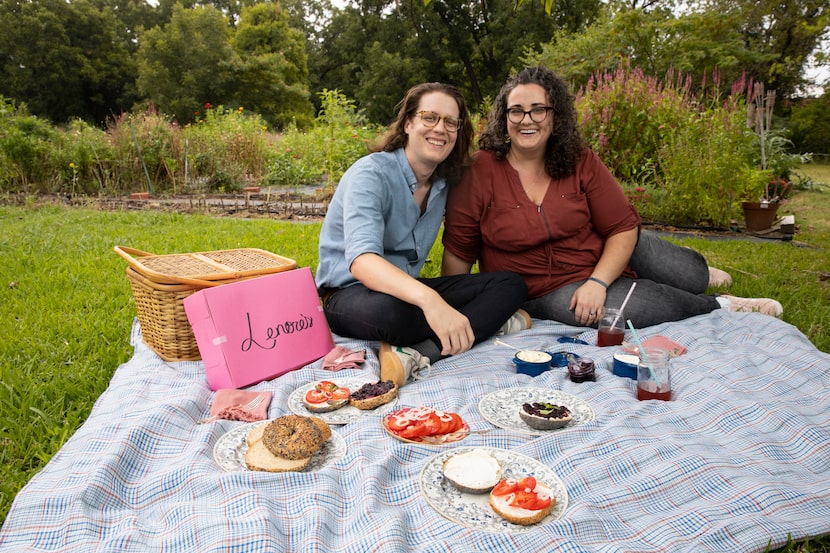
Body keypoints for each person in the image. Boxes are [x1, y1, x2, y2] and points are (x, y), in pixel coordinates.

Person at [442, 66, 783, 329]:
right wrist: (447, 307)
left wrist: (598, 279)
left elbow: (621, 227)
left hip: (608, 249)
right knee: (634, 309)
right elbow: (458, 251)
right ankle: (720, 305)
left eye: (538, 110)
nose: (526, 120)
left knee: (687, 274)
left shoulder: (579, 159)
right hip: (546, 288)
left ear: (554, 115)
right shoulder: (479, 172)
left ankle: (701, 276)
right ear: (504, 119)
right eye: (516, 111)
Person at [315, 82, 530, 387]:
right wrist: (432, 302)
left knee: (510, 285)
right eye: (430, 117)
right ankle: (486, 323)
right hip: (351, 296)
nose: (440, 128)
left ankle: (420, 353)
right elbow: (362, 262)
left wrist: (433, 300)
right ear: (408, 123)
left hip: (409, 292)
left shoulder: (443, 184)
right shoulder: (370, 174)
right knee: (395, 316)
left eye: (450, 122)